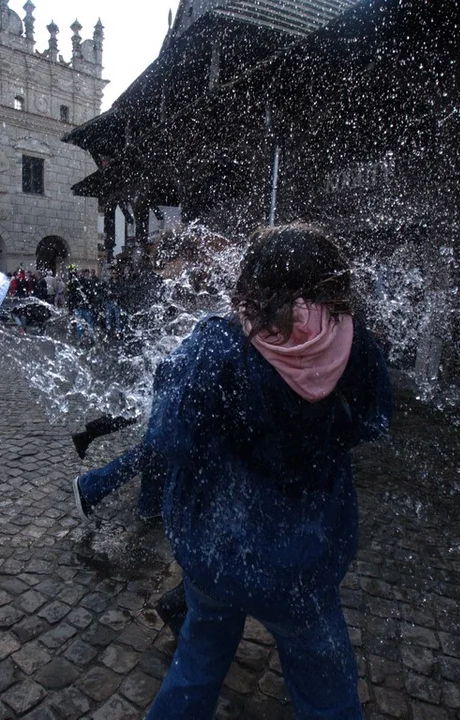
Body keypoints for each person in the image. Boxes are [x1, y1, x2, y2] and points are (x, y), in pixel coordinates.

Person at [139, 224, 392, 718]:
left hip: (217, 550)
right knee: (328, 695)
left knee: (196, 664)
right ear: (333, 280)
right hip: (304, 562)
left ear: (251, 278)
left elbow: (167, 438)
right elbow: (372, 423)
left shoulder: (218, 346)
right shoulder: (357, 346)